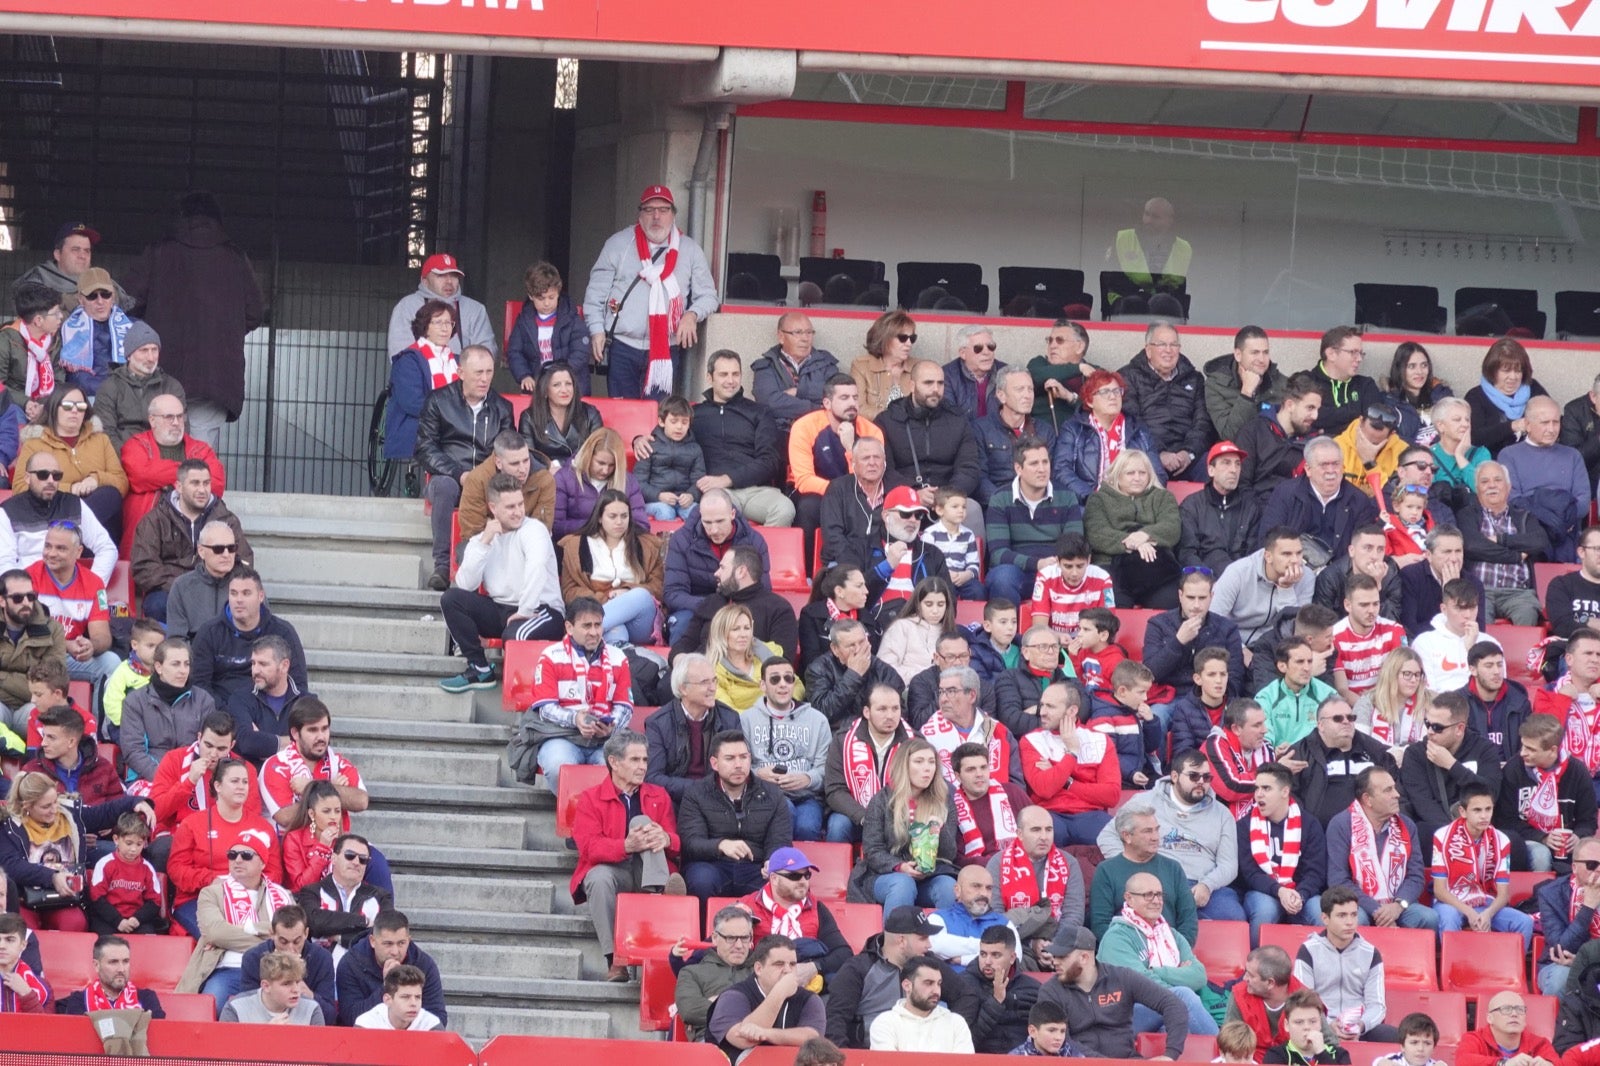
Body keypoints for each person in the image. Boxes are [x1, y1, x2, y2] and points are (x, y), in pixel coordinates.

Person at [120, 193, 265, 448]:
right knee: (199, 459)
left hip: (163, 372)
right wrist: (224, 330)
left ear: (180, 218)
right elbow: (255, 312)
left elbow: (127, 301)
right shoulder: (235, 258)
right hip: (216, 374)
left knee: (163, 453)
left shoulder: (158, 252)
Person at [583, 184, 718, 400]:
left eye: (663, 210)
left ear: (673, 215)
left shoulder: (690, 250)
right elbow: (595, 295)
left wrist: (692, 315)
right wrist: (597, 330)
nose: (656, 216)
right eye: (649, 210)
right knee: (623, 415)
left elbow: (709, 296)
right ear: (640, 214)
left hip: (666, 348)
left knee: (657, 417)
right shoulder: (618, 244)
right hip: (623, 346)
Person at [570, 730, 681, 982]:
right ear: (614, 762)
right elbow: (589, 848)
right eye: (635, 760)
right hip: (615, 869)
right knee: (597, 878)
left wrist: (666, 839)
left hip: (650, 868)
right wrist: (627, 845)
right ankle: (615, 960)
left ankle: (656, 889)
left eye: (644, 760)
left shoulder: (658, 795)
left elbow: (676, 842)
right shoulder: (590, 799)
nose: (642, 767)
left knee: (645, 823)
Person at [437, 473, 562, 693]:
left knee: (515, 636)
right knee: (451, 599)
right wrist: (484, 543)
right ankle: (479, 668)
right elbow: (465, 584)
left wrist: (525, 609)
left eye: (520, 504)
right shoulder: (483, 539)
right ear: (493, 508)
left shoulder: (534, 530)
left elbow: (537, 567)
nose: (518, 511)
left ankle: (523, 693)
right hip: (502, 609)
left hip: (542, 610)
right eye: (510, 507)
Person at [1096, 750, 1245, 921]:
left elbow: (1229, 864)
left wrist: (1207, 885)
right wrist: (1135, 870)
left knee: (1234, 916)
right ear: (1175, 776)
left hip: (1202, 885)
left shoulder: (1222, 814)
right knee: (1158, 915)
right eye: (1194, 776)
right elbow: (1107, 836)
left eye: (1206, 777)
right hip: (1157, 880)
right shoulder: (1143, 801)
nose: (1201, 782)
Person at [414, 345, 512, 589]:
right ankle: (443, 565)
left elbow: (506, 449)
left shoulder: (502, 407)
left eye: (489, 372)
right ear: (460, 372)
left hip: (488, 478)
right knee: (444, 487)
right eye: (478, 372)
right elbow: (425, 448)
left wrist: (481, 476)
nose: (485, 378)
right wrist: (460, 474)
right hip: (450, 475)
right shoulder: (438, 401)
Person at [825, 905, 978, 1048]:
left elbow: (966, 996)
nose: (929, 945)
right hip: (872, 1056)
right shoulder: (858, 968)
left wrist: (946, 1031)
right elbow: (835, 1020)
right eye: (923, 938)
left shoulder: (928, 963)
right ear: (901, 940)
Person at [518, 597, 633, 787]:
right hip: (562, 736)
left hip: (604, 739)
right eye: (587, 626)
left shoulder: (618, 657)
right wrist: (575, 720)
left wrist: (612, 726)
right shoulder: (551, 656)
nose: (594, 632)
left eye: (598, 625)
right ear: (569, 628)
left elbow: (625, 707)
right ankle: (571, 813)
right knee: (558, 766)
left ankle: (595, 814)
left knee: (619, 770)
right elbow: (546, 708)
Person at [175, 832, 294, 1009]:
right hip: (227, 968)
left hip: (274, 971)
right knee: (211, 1005)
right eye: (232, 855)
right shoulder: (212, 893)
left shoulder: (283, 896)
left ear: (262, 863)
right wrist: (266, 935)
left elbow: (291, 934)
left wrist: (244, 929)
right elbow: (216, 933)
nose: (238, 860)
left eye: (246, 855)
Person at [1036, 924, 1190, 1059]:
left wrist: (1170, 1055)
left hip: (1126, 1060)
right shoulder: (1050, 991)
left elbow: (1173, 1005)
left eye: (1062, 956)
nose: (1055, 961)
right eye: (1055, 955)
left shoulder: (1122, 977)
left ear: (1084, 957)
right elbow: (1060, 1042)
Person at [1097, 870, 1221, 1038]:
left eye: (1159, 895)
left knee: (1177, 1025)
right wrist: (1178, 976)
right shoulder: (1116, 937)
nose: (1156, 901)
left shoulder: (1171, 935)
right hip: (1119, 1015)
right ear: (1129, 898)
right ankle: (1227, 1055)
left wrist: (1156, 971)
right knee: (1183, 998)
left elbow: (1199, 977)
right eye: (1148, 895)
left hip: (1157, 1010)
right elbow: (1140, 983)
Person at [165, 759, 280, 935]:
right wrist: (211, 880)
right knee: (223, 936)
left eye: (245, 782)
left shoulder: (263, 827)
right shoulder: (192, 824)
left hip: (250, 898)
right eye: (234, 781)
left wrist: (246, 885)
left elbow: (274, 873)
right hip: (199, 899)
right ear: (217, 786)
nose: (241, 786)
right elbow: (176, 869)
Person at [847, 736, 959, 912]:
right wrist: (900, 866)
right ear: (903, 766)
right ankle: (893, 939)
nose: (927, 768)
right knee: (903, 884)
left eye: (931, 762)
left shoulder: (943, 800)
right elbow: (872, 849)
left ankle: (948, 938)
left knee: (948, 887)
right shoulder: (882, 800)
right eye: (919, 761)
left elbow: (949, 853)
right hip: (885, 875)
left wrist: (939, 829)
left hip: (931, 875)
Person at [130, 459, 249, 623]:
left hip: (217, 587)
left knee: (245, 602)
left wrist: (211, 585)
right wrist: (184, 586)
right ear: (179, 487)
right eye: (195, 483)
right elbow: (144, 566)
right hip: (170, 590)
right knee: (156, 605)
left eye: (206, 483)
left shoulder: (227, 519)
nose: (202, 490)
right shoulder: (155, 520)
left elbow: (244, 561)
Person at [679, 731, 792, 903]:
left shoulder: (773, 794)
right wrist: (720, 845)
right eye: (730, 758)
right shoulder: (696, 793)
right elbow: (691, 843)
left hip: (755, 865)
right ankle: (703, 929)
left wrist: (772, 861)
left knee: (780, 883)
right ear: (714, 763)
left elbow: (780, 840)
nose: (739, 765)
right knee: (701, 880)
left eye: (744, 757)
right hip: (711, 864)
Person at [878, 359, 984, 539]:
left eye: (940, 383)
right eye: (928, 383)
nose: (936, 389)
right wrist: (913, 493)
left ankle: (974, 567)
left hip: (948, 497)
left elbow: (969, 467)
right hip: (904, 496)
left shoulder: (958, 420)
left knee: (972, 509)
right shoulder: (887, 420)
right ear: (912, 385)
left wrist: (946, 496)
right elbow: (883, 468)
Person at [1325, 766, 1437, 930]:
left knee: (1429, 918)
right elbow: (1338, 880)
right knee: (1356, 920)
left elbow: (1415, 876)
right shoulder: (1341, 824)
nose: (1397, 794)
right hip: (1358, 905)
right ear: (1367, 799)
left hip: (1399, 904)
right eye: (1388, 790)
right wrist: (1378, 911)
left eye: (1394, 788)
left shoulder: (1407, 825)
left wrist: (1398, 906)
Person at [12, 384, 128, 539]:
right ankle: (68, 537)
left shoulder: (101, 440)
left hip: (97, 523)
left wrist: (96, 480)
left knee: (110, 494)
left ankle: (72, 537)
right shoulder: (35, 443)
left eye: (81, 406)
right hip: (54, 515)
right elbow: (20, 486)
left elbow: (121, 482)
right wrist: (70, 489)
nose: (75, 411)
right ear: (54, 408)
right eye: (67, 406)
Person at [1429, 782, 1532, 946]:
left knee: (1524, 922)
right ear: (1463, 811)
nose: (1484, 816)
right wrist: (1469, 912)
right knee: (1449, 917)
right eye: (1477, 810)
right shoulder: (1442, 836)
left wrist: (1488, 914)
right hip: (1450, 903)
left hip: (1486, 902)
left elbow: (1503, 894)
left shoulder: (1502, 840)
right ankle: (1453, 970)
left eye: (1488, 809)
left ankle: (1507, 970)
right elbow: (1439, 890)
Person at [662, 490, 772, 643]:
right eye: (707, 522)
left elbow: (763, 591)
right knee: (682, 625)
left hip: (741, 608)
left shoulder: (755, 541)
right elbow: (673, 593)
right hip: (695, 608)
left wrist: (732, 609)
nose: (714, 530)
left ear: (732, 514)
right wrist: (711, 606)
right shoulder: (681, 540)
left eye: (720, 521)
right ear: (700, 516)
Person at [1398, 690, 1503, 847]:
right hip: (1439, 831)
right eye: (1427, 723)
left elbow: (1490, 793)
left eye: (1437, 727)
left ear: (1459, 729)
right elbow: (1423, 804)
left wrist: (1452, 766)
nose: (1430, 731)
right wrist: (1456, 835)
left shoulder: (1485, 750)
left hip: (1478, 828)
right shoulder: (1415, 754)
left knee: (1513, 843)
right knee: (1421, 832)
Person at [557, 491, 663, 646]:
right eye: (612, 516)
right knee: (616, 629)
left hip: (640, 621)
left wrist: (627, 591)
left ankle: (575, 638)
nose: (619, 522)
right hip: (599, 614)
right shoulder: (575, 545)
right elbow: (569, 591)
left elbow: (658, 588)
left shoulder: (646, 544)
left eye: (624, 516)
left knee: (641, 595)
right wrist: (604, 599)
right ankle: (621, 653)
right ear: (599, 517)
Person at [1020, 682, 1120, 846]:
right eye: (1042, 705)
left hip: (1090, 816)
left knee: (1118, 838)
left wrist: (1067, 783)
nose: (1042, 712)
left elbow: (1111, 795)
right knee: (1044, 836)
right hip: (1050, 814)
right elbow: (1044, 788)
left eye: (1050, 707)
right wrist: (1072, 753)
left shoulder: (1100, 740)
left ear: (1072, 711)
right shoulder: (1032, 740)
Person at [984, 438, 1081, 608]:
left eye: (1045, 462)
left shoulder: (1067, 496)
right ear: (1018, 468)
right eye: (1034, 464)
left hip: (1058, 570)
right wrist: (1036, 564)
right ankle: (1009, 633)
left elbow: (1075, 545)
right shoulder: (1000, 498)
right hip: (1018, 572)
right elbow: (998, 554)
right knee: (1002, 579)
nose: (1042, 469)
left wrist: (1056, 565)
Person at [1290, 887, 1395, 1043]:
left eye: (1353, 915)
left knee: (1399, 1037)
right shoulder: (1308, 950)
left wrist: (1360, 1025)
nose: (1350, 922)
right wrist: (1328, 1025)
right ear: (1325, 918)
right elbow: (1303, 1002)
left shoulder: (1371, 953)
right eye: (1342, 916)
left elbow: (1377, 1006)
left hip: (1359, 1025)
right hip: (1321, 1026)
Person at [191, 568, 308, 707]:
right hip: (222, 717)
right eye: (234, 593)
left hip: (268, 714)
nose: (239, 600)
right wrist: (229, 716)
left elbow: (298, 684)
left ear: (260, 596)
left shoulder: (282, 632)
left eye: (246, 593)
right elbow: (199, 685)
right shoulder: (209, 632)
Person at [741, 661, 830, 842]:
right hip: (764, 795)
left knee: (807, 827)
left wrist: (808, 778)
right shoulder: (746, 719)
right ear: (763, 686)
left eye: (788, 679)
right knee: (784, 812)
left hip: (807, 796)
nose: (783, 684)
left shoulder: (818, 720)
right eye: (775, 679)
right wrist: (757, 774)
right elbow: (739, 765)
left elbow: (826, 768)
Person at [1498, 714, 1598, 874]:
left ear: (1552, 751)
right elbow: (1504, 821)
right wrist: (1542, 837)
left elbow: (1588, 821)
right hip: (1528, 841)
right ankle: (1539, 898)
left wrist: (1578, 837)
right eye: (1523, 746)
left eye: (1530, 749)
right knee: (1541, 855)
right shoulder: (1513, 769)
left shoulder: (1577, 771)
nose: (1523, 753)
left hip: (1567, 844)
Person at [1084, 449, 1182, 609]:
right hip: (1111, 565)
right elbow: (1097, 532)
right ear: (1117, 475)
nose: (1137, 478)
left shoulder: (1163, 497)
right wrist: (1132, 543)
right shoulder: (1099, 499)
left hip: (1155, 567)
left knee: (1170, 603)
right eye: (1130, 473)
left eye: (1142, 473)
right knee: (1114, 604)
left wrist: (1144, 535)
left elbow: (1172, 527)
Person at [1260, 437, 1380, 567]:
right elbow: (1268, 540)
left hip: (1339, 578)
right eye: (1324, 465)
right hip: (1292, 569)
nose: (1331, 471)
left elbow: (1362, 552)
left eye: (1336, 464)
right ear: (1308, 469)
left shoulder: (1359, 500)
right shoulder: (1286, 493)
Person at [1238, 762, 1327, 934]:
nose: (1259, 795)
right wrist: (1279, 891)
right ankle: (1257, 960)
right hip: (1262, 892)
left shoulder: (1309, 824)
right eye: (1257, 789)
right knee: (1265, 911)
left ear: (1285, 791)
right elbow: (1249, 873)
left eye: (1266, 788)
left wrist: (1300, 895)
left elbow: (1315, 872)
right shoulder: (1244, 826)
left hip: (1302, 894)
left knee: (1320, 913)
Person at [1088, 804, 1198, 943]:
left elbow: (1188, 921)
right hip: (1124, 956)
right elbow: (1100, 925)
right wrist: (1129, 952)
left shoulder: (1173, 868)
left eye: (1156, 830)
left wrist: (1176, 951)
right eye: (1147, 831)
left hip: (1171, 954)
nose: (1155, 837)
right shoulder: (1106, 871)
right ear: (1127, 836)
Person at [1457, 460, 1549, 625]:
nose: (1492, 485)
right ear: (1477, 490)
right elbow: (1472, 546)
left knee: (1528, 613)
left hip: (1518, 593)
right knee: (1478, 621)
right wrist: (1515, 556)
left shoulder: (1524, 516)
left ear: (1508, 487)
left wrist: (1501, 539)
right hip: (1479, 591)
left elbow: (1539, 541)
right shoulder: (1467, 515)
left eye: (1497, 480)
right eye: (1484, 482)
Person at [1051, 368, 1165, 501]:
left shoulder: (1138, 429)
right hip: (1090, 505)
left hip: (1134, 504)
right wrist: (1093, 498)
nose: (1113, 396)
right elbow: (1061, 471)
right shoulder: (1074, 429)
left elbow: (1158, 474)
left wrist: (1140, 501)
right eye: (1104, 392)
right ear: (1089, 401)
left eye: (1117, 391)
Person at [673, 544, 799, 663]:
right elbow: (687, 641)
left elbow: (781, 662)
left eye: (722, 567)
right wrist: (678, 658)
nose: (716, 573)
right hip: (696, 675)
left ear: (741, 571)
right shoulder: (712, 601)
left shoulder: (779, 609)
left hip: (747, 682)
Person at [1118, 322, 1212, 480]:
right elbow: (1131, 421)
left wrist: (1188, 453)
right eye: (1162, 344)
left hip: (1187, 456)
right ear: (1148, 350)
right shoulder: (1127, 376)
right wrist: (1159, 453)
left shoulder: (1194, 379)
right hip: (1147, 453)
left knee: (1218, 466)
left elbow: (1203, 423)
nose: (1169, 350)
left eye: (1174, 344)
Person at [644, 653, 741, 803]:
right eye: (704, 683)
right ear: (683, 688)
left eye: (714, 680)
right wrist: (700, 788)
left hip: (719, 800)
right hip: (675, 800)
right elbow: (653, 777)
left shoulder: (729, 718)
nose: (713, 688)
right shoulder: (658, 723)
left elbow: (737, 766)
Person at [709, 934, 826, 1059]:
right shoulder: (733, 996)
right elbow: (742, 1040)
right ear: (759, 968)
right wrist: (779, 993)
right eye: (779, 964)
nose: (787, 970)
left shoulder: (809, 999)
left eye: (792, 964)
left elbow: (812, 1039)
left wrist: (766, 1034)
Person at [149, 712, 262, 842]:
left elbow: (251, 818)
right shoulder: (174, 759)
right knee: (161, 848)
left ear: (232, 745)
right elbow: (156, 812)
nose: (213, 754)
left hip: (226, 836)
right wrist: (189, 782)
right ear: (199, 737)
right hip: (180, 834)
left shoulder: (245, 770)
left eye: (221, 749)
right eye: (208, 745)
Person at [1286, 697, 1398, 827]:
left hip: (1372, 832)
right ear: (1321, 725)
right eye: (1338, 718)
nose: (1346, 722)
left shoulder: (1374, 750)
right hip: (1319, 833)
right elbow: (1289, 795)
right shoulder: (1299, 753)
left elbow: (1396, 787)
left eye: (1350, 718)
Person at [118, 636, 216, 783]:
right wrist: (165, 778)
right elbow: (133, 752)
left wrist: (189, 778)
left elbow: (210, 746)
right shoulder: (135, 702)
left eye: (186, 664)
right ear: (159, 667)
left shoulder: (203, 700)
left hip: (194, 777)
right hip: (149, 778)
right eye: (176, 664)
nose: (183, 671)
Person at [1501, 395, 1589, 559]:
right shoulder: (1509, 455)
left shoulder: (1572, 455)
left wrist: (1562, 521)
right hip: (1528, 531)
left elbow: (1583, 502)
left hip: (1567, 531)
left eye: (1555, 422)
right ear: (1527, 424)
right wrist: (1549, 520)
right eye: (1544, 423)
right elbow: (1512, 499)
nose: (1551, 429)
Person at [822, 681, 910, 844]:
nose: (890, 715)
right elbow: (835, 790)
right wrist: (864, 817)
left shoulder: (914, 742)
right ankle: (838, 870)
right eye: (882, 709)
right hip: (856, 815)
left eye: (895, 709)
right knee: (838, 825)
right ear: (867, 712)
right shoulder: (843, 740)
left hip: (901, 814)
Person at [334, 910, 447, 1027]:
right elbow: (351, 1018)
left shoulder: (424, 964)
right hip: (366, 1039)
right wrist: (387, 986)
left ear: (409, 939)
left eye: (401, 943)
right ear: (372, 941)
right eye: (388, 944)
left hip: (413, 1039)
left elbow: (438, 1017)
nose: (395, 952)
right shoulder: (350, 964)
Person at [383, 298, 459, 469]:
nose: (445, 327)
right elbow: (411, 401)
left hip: (451, 427)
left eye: (449, 322)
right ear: (425, 326)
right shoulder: (408, 360)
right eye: (438, 322)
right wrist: (450, 415)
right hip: (421, 427)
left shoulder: (458, 360)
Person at [384, 251, 495, 362]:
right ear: (425, 281)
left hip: (464, 377)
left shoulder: (475, 310)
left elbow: (486, 353)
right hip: (420, 377)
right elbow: (400, 353)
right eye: (441, 275)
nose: (449, 281)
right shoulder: (407, 307)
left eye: (454, 275)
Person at [1213, 528, 1315, 649]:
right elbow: (1214, 621)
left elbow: (1295, 632)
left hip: (1274, 646)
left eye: (1299, 553)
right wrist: (1240, 650)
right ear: (1268, 556)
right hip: (1233, 641)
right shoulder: (1238, 572)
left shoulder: (1306, 576)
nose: (1295, 560)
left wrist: (1286, 589)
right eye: (1286, 554)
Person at [93, 322, 186, 451]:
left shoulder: (171, 386)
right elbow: (105, 434)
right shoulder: (109, 387)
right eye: (144, 350)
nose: (151, 358)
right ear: (129, 355)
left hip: (163, 459)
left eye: (154, 350)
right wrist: (132, 459)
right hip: (123, 460)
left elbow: (181, 430)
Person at [226, 634, 316, 764]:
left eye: (263, 664)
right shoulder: (240, 699)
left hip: (295, 778)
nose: (255, 670)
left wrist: (264, 743)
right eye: (253, 663)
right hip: (253, 779)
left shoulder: (307, 702)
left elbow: (316, 745)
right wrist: (296, 742)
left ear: (284, 666)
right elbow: (247, 742)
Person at [238, 905, 337, 1023]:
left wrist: (310, 995)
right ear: (272, 934)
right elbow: (246, 1008)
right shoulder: (254, 958)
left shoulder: (322, 958)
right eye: (283, 941)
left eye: (297, 941)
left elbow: (330, 1017)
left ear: (306, 933)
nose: (290, 949)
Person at [975, 366, 1058, 505]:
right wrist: (1006, 503)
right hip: (998, 505)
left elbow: (1053, 476)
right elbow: (980, 478)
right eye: (1020, 389)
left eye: (1030, 389)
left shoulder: (1044, 431)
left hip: (1039, 505)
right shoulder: (980, 429)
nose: (1027, 395)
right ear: (1001, 395)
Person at [24, 693, 125, 807]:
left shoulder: (104, 769)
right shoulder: (31, 772)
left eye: (51, 737)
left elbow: (119, 810)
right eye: (44, 736)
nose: (43, 743)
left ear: (71, 742)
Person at [506, 260, 590, 397]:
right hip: (537, 386)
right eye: (541, 298)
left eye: (551, 297)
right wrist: (524, 376)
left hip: (571, 388)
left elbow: (580, 352)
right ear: (530, 296)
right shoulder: (523, 321)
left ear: (558, 293)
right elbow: (515, 352)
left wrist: (561, 377)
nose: (546, 303)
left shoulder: (571, 318)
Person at [1238, 371, 1323, 504]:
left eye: (1317, 409)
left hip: (1296, 513)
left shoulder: (1313, 442)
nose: (1315, 416)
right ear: (1290, 405)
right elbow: (1241, 484)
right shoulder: (1254, 431)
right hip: (1256, 511)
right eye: (1310, 408)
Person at [1179, 441, 1262, 575]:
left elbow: (1253, 554)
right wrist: (1207, 579)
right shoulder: (1191, 505)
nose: (1234, 470)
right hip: (1202, 582)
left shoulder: (1251, 507)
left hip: (1240, 581)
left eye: (1238, 464)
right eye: (1226, 463)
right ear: (1211, 470)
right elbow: (1187, 553)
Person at [867, 953, 975, 1053]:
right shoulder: (885, 1023)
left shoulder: (956, 1023)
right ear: (907, 985)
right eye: (928, 983)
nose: (936, 991)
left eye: (939, 984)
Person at [754, 312, 840, 436]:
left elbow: (837, 396)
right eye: (798, 332)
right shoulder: (766, 366)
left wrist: (799, 391)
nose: (805, 339)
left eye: (809, 332)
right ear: (781, 336)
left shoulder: (826, 363)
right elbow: (770, 403)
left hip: (819, 433)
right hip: (779, 433)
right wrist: (818, 408)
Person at [677, 905, 756, 1041]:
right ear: (714, 938)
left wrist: (717, 1002)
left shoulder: (760, 971)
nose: (739, 945)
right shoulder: (691, 973)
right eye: (731, 938)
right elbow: (690, 1011)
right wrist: (750, 1009)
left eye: (744, 938)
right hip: (711, 1043)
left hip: (755, 1043)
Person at [460, 429, 556, 540]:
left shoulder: (544, 480)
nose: (522, 469)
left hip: (527, 544)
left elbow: (541, 529)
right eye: (514, 464)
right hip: (488, 543)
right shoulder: (477, 480)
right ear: (498, 463)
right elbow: (472, 531)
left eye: (526, 460)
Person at [13, 221, 129, 311]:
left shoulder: (104, 282)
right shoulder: (36, 281)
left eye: (87, 251)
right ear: (58, 254)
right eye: (75, 250)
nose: (82, 256)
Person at [1328, 576, 1406, 709]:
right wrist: (1370, 707)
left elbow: (1402, 678)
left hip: (1389, 703)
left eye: (1375, 604)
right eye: (1364, 605)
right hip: (1354, 709)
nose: (1371, 610)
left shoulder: (1395, 631)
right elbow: (1342, 690)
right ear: (1347, 605)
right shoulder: (1334, 636)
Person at [1464, 337, 1550, 457]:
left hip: (1532, 459)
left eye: (1518, 371)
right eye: (1506, 371)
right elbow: (1474, 437)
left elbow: (1550, 419)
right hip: (1492, 464)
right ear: (1492, 371)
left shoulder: (1533, 388)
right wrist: (1512, 427)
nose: (1513, 377)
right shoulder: (1476, 396)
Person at [963, 925, 1042, 1053]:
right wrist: (996, 1001)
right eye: (983, 954)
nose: (987, 961)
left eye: (995, 955)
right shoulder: (965, 985)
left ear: (1012, 957)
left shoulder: (1032, 988)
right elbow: (965, 1041)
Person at [1411, 578, 1497, 694]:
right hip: (1439, 707)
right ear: (1444, 609)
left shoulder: (1491, 644)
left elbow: (1493, 691)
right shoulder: (1424, 643)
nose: (1467, 615)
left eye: (1472, 608)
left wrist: (1472, 650)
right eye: (1459, 608)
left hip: (1479, 708)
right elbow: (1426, 692)